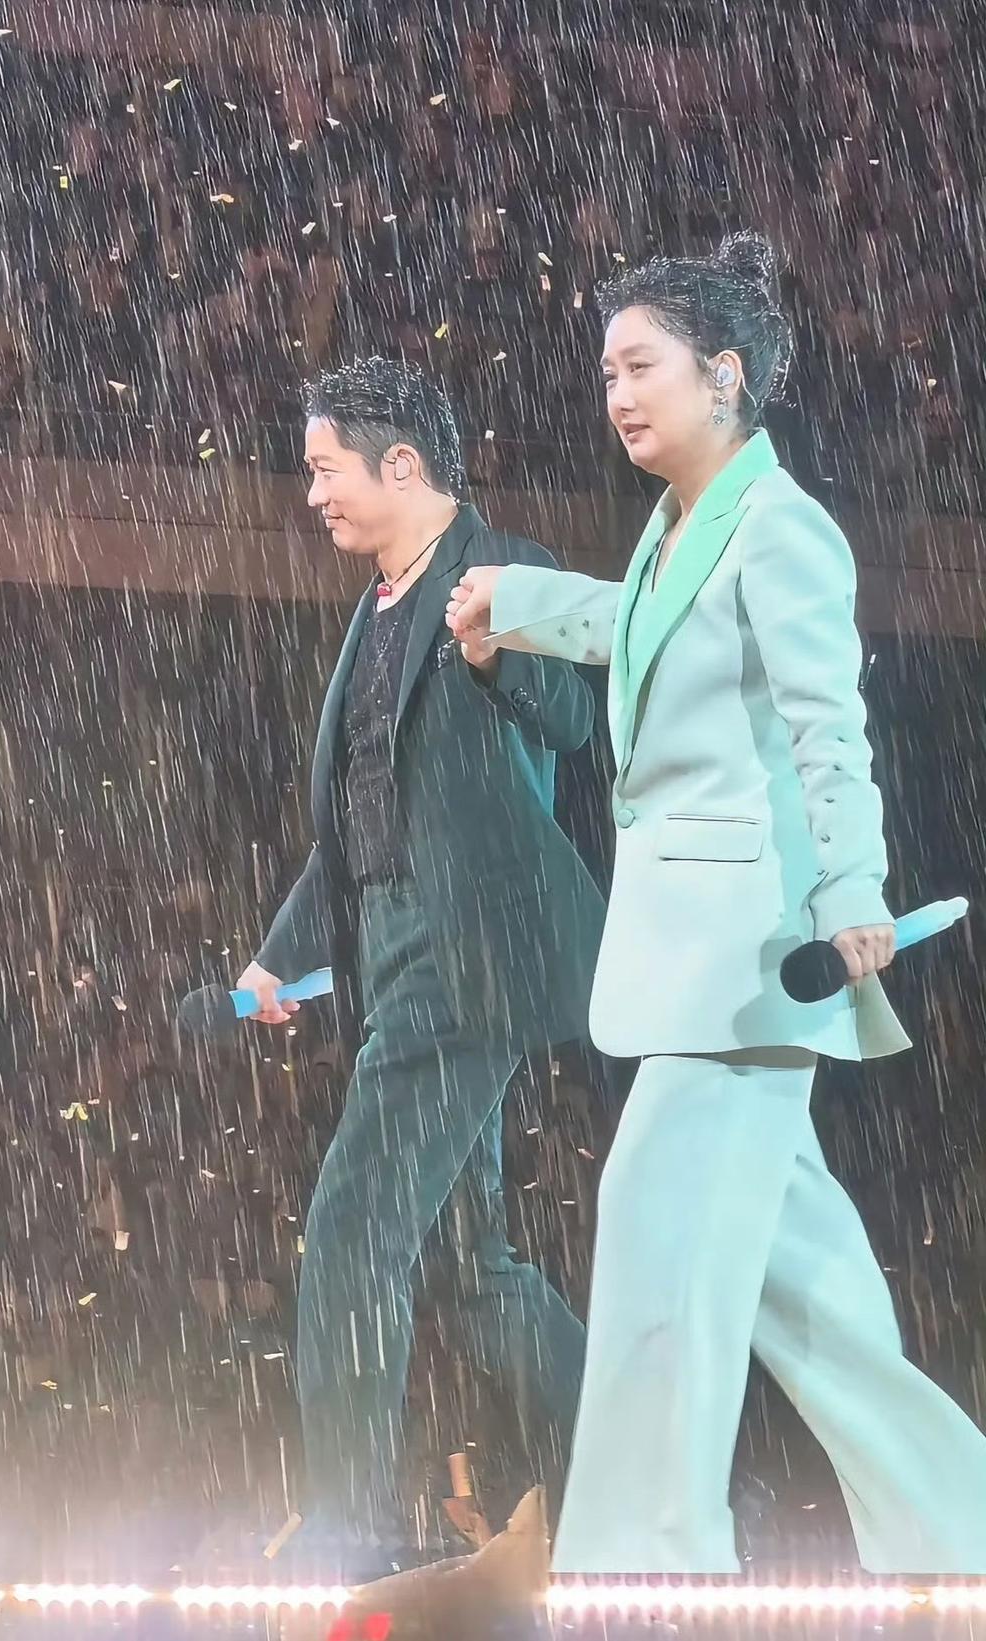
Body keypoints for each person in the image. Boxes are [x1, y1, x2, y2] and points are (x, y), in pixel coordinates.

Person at [447, 231, 986, 1574]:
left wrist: (852, 887)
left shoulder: (783, 530)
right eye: (607, 372)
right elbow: (637, 631)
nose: (617, 394)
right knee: (808, 1299)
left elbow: (829, 729)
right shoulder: (680, 527)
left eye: (642, 366)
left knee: (655, 1243)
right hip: (693, 957)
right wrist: (520, 601)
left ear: (724, 374)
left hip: (748, 960)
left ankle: (644, 1559)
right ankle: (959, 1528)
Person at [236, 355, 604, 1578]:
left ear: (399, 464)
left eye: (323, 470)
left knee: (351, 1237)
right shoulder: (377, 607)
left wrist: (498, 656)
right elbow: (358, 813)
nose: (312, 496)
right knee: (466, 1265)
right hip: (395, 949)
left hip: (466, 954)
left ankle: (348, 1535)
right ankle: (641, 1461)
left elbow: (573, 719)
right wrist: (280, 960)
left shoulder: (499, 568)